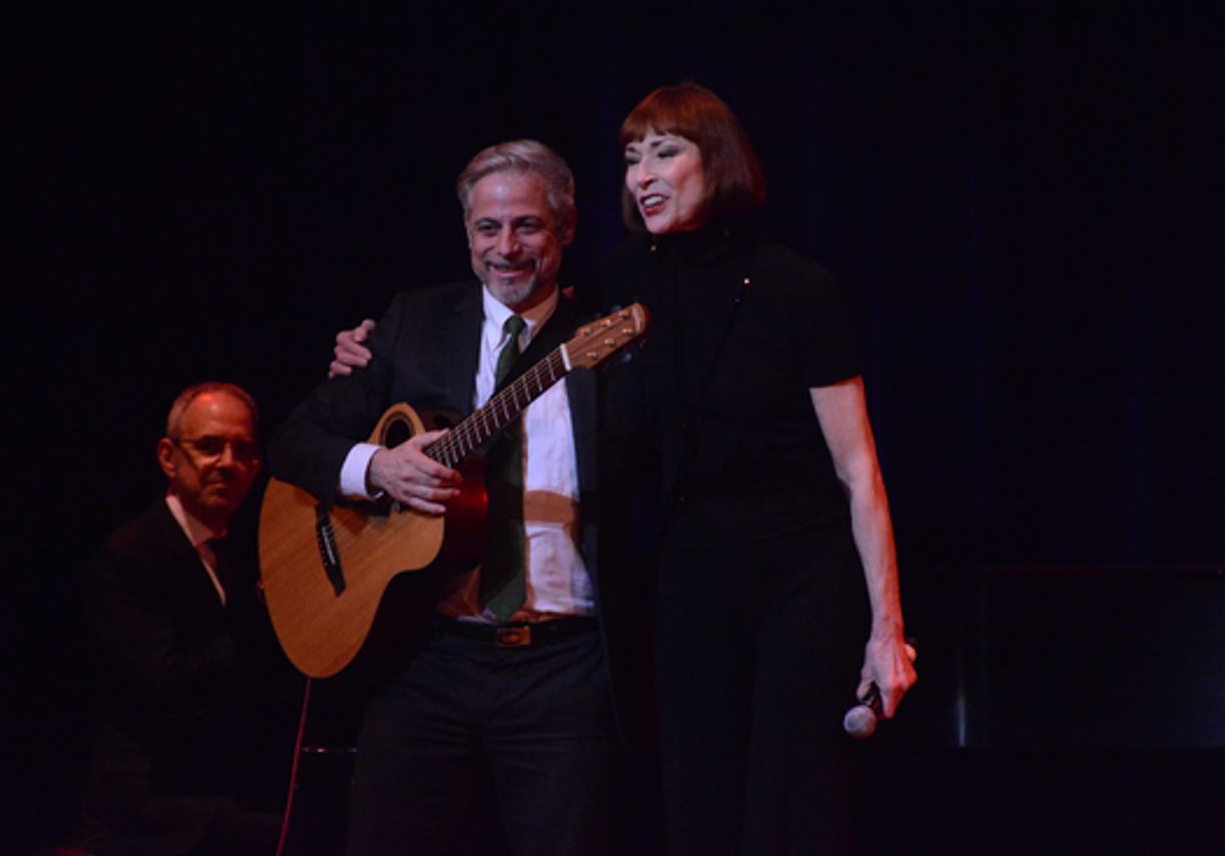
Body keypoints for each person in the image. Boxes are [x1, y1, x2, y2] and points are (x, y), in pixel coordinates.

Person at [332, 85, 917, 855]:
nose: (643, 173)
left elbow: (858, 470)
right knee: (694, 804)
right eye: (632, 156)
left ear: (721, 160)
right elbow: (517, 317)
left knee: (792, 802)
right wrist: (364, 369)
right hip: (687, 572)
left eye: (666, 151)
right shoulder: (619, 281)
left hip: (795, 567)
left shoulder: (796, 287)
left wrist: (889, 628)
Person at [268, 140, 619, 856]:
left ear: (567, 229)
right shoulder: (412, 324)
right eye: (488, 229)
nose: (506, 247)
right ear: (465, 233)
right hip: (427, 657)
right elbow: (294, 442)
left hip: (564, 667)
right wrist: (376, 468)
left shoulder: (606, 337)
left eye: (527, 226)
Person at [81, 382, 299, 856]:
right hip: (150, 800)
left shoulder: (247, 552)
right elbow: (163, 686)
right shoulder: (129, 555)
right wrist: (263, 623)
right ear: (167, 457)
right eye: (209, 447)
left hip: (219, 783)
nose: (228, 463)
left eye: (243, 450)